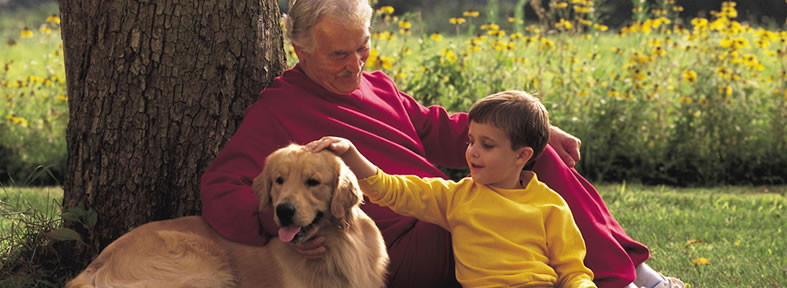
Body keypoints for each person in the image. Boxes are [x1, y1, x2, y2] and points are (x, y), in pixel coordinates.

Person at [199, 0, 685, 287]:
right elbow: (222, 187)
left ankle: (637, 278)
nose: (356, 65)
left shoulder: (379, 86)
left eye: (363, 47)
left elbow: (438, 128)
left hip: (443, 204)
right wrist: (289, 225)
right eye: (339, 55)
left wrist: (533, 136)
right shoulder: (277, 109)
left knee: (532, 157)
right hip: (399, 242)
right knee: (490, 215)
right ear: (299, 52)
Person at [306, 90, 597, 287]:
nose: (472, 152)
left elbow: (573, 271)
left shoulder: (551, 205)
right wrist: (351, 155)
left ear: (522, 156)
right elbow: (390, 189)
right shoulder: (455, 196)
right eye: (470, 141)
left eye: (487, 145)